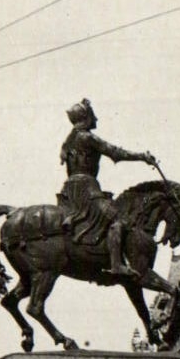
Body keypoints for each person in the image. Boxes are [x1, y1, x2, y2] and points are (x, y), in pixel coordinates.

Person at [58, 99, 157, 278]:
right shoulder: (86, 137)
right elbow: (115, 152)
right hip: (86, 188)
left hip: (71, 188)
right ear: (85, 118)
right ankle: (117, 264)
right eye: (92, 115)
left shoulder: (70, 140)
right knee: (118, 219)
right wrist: (142, 156)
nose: (96, 119)